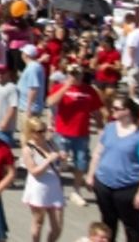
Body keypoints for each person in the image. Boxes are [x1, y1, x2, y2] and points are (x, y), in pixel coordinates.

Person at [86, 98, 139, 242]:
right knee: (107, 225)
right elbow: (98, 152)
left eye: (116, 108)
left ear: (128, 111)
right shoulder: (110, 128)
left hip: (128, 188)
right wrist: (91, 175)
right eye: (113, 108)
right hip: (104, 183)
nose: (112, 111)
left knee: (132, 227)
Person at [47, 63, 102, 207]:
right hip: (62, 133)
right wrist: (66, 87)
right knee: (58, 163)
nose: (75, 76)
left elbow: (96, 110)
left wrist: (101, 126)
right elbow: (50, 102)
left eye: (77, 74)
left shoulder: (89, 90)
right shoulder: (60, 87)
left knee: (81, 163)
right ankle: (56, 190)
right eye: (72, 73)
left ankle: (76, 191)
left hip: (81, 133)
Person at [20, 116, 65, 242]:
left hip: (55, 187)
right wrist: (49, 160)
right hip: (39, 189)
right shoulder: (28, 149)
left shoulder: (51, 143)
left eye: (44, 130)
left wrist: (62, 158)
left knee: (57, 226)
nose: (43, 133)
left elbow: (60, 164)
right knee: (38, 222)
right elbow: (34, 172)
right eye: (39, 131)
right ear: (32, 133)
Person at [0, 64, 19, 147]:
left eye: (2, 73)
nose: (0, 75)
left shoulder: (11, 87)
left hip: (5, 128)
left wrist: (5, 122)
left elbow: (13, 106)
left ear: (7, 74)